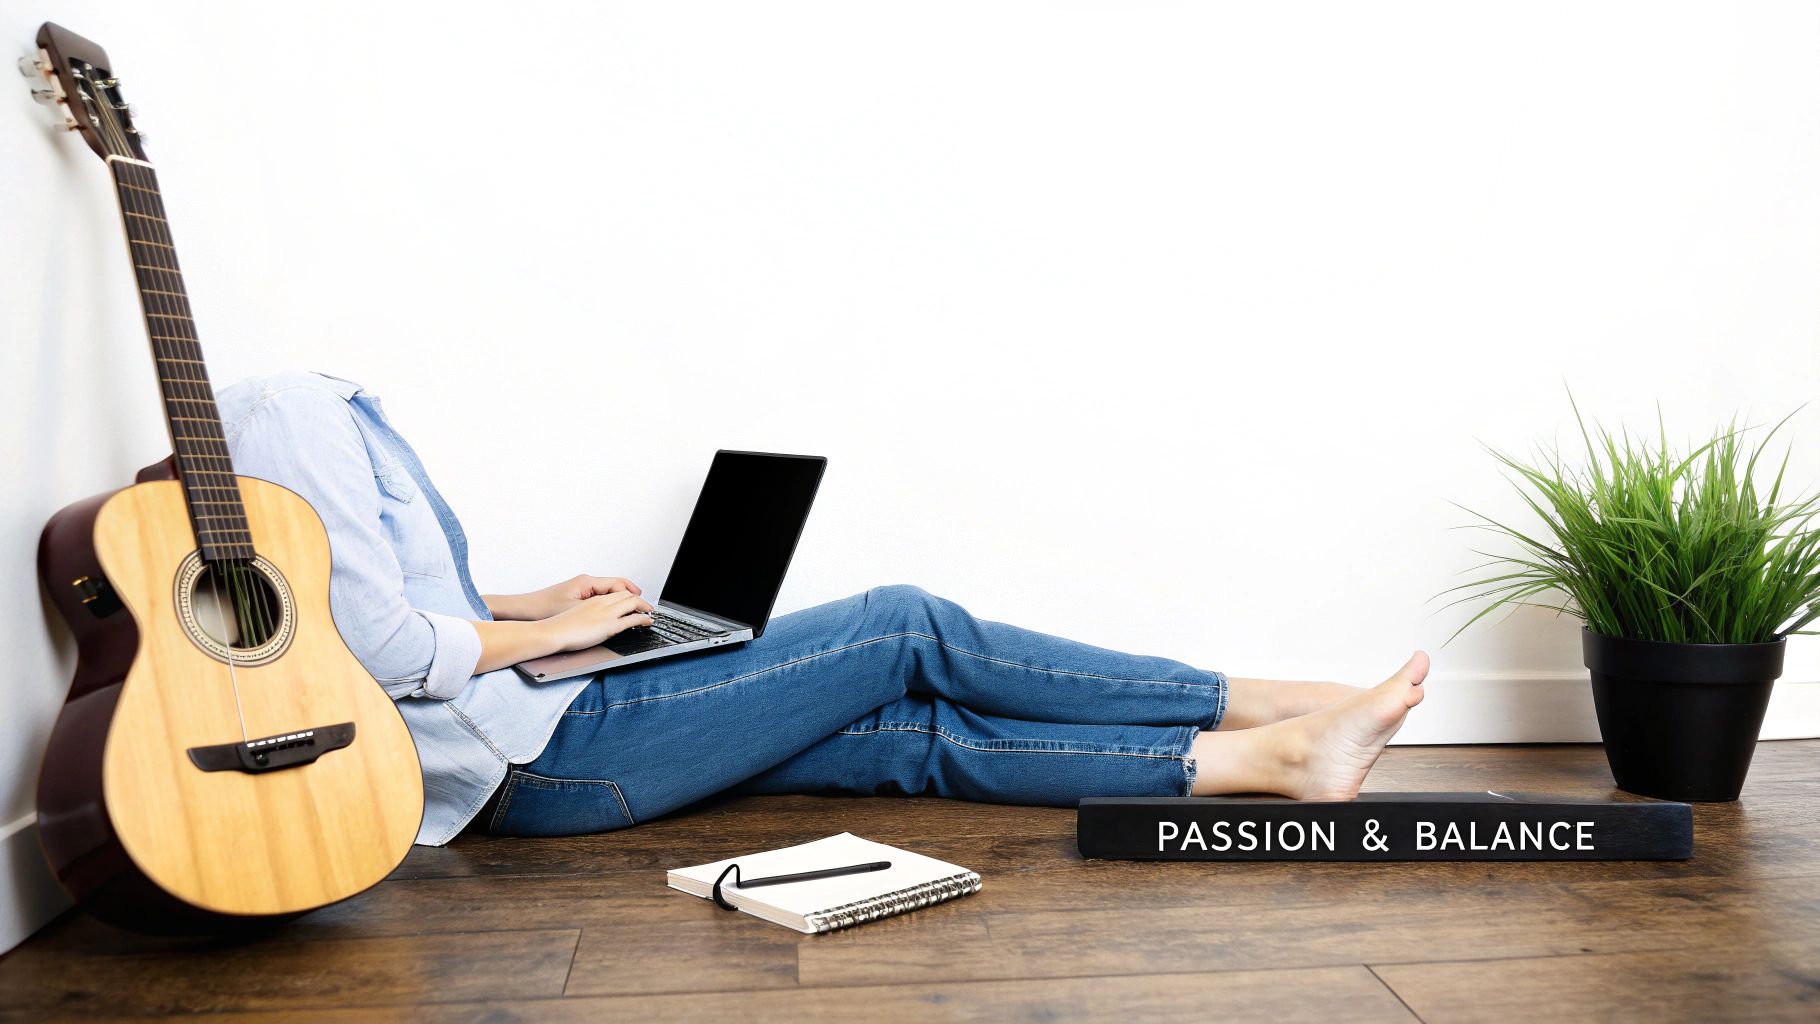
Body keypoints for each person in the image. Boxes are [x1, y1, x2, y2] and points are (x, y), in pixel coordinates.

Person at [216, 372, 1428, 845]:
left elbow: (385, 601)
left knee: (900, 742)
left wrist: (538, 601)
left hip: (534, 724)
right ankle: (1251, 697)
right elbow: (378, 649)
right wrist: (557, 638)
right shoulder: (286, 415)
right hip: (530, 761)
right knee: (903, 626)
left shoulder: (328, 406)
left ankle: (1265, 761)